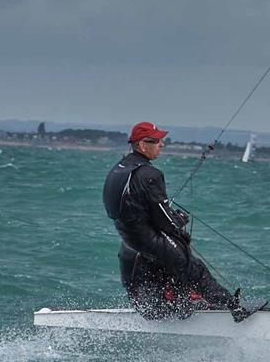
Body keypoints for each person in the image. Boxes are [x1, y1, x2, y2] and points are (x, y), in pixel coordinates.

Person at [103, 121, 256, 321]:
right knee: (192, 266)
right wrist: (179, 218)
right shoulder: (150, 174)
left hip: (129, 237)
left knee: (169, 258)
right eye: (157, 141)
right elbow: (167, 222)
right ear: (142, 145)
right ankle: (235, 309)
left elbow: (123, 205)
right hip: (147, 237)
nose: (162, 145)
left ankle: (178, 303)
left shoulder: (120, 168)